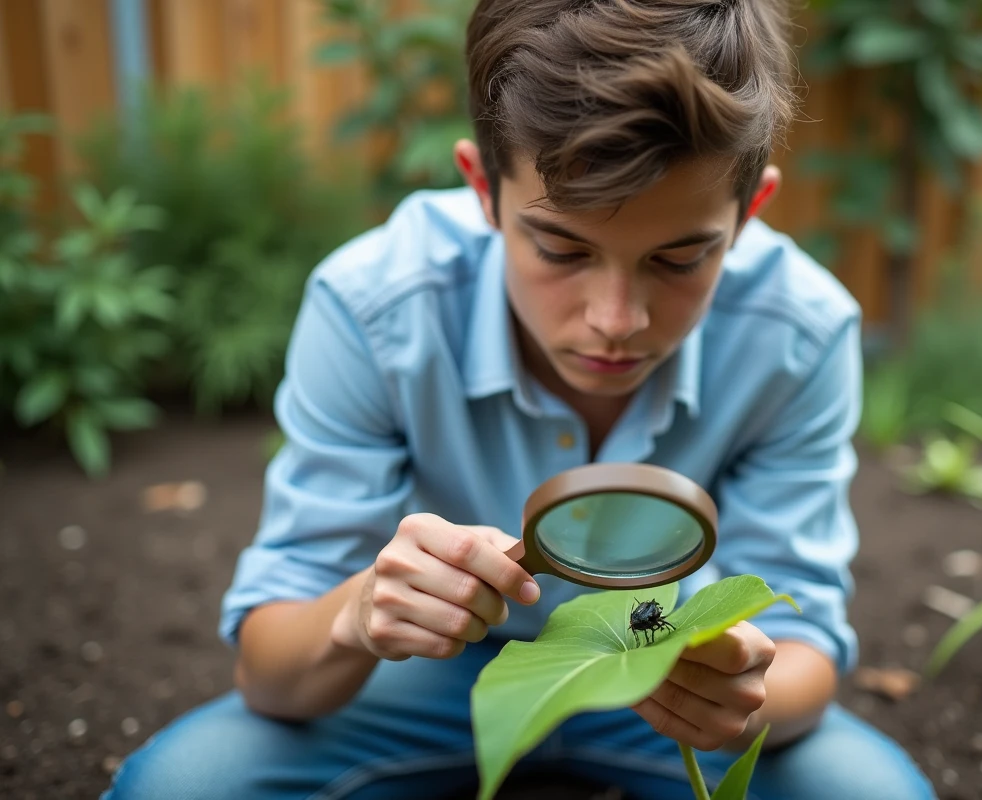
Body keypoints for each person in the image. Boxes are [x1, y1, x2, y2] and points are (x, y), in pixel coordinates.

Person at [104, 1, 934, 798]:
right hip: (431, 678)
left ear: (750, 213)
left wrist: (746, 692)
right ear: (482, 191)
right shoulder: (374, 309)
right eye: (562, 247)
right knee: (174, 788)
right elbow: (270, 673)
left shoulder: (798, 331)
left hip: (667, 679)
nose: (617, 322)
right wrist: (359, 612)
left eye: (679, 260)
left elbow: (802, 648)